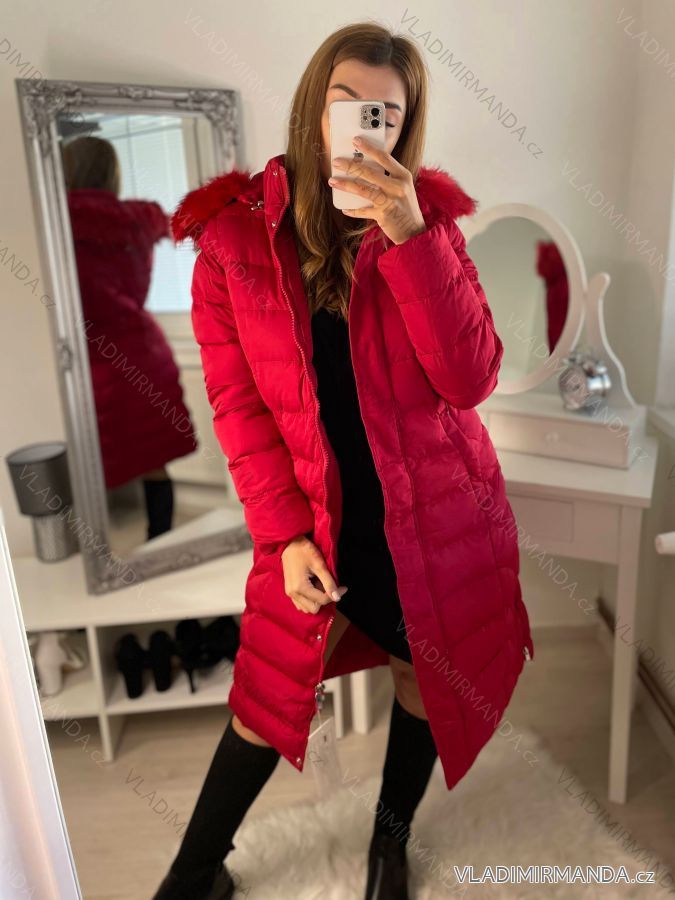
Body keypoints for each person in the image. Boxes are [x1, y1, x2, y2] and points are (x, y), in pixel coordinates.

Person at [155, 20, 534, 900]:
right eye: (347, 103)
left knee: (419, 679)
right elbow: (240, 410)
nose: (366, 125)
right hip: (317, 522)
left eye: (385, 114)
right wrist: (283, 536)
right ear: (312, 110)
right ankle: (192, 872)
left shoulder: (429, 224)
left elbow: (470, 379)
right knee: (265, 700)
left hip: (434, 518)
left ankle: (385, 849)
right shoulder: (232, 243)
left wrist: (408, 233)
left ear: (404, 127)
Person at [63, 136, 198, 540]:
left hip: (92, 357)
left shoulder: (60, 222)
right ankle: (162, 538)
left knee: (90, 464)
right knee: (153, 461)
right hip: (143, 350)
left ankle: (97, 555)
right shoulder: (135, 223)